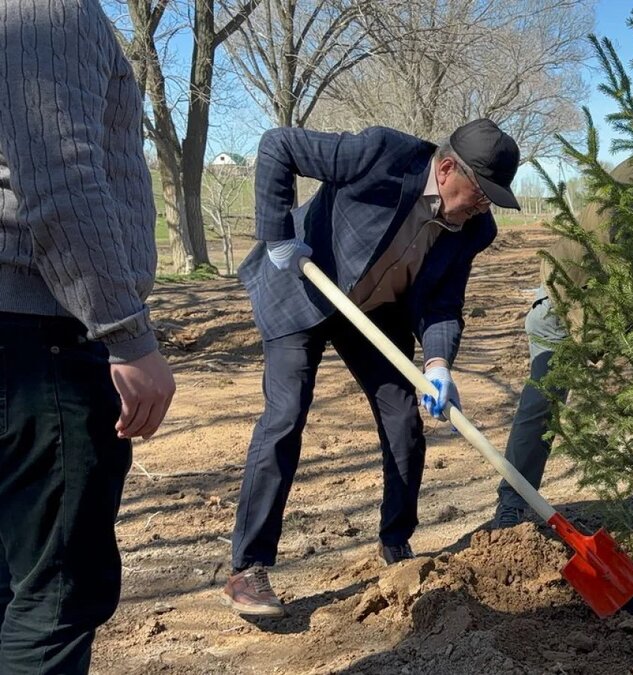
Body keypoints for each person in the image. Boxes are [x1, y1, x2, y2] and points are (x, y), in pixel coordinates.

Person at [221, 119, 519, 618]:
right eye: (480, 195)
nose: (482, 208)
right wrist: (278, 238)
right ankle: (247, 569)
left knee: (404, 423)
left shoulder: (473, 231)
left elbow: (443, 301)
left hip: (374, 314)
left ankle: (396, 546)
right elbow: (278, 145)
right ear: (446, 170)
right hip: (301, 285)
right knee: (286, 414)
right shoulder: (382, 155)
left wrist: (440, 362)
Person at [0, 0, 178, 671]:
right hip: (41, 341)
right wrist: (128, 335)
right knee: (56, 599)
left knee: (12, 581)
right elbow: (62, 179)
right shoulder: (48, 9)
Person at [493, 153, 633, 529]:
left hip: (631, 309)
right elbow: (606, 222)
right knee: (542, 402)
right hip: (567, 300)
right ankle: (512, 506)